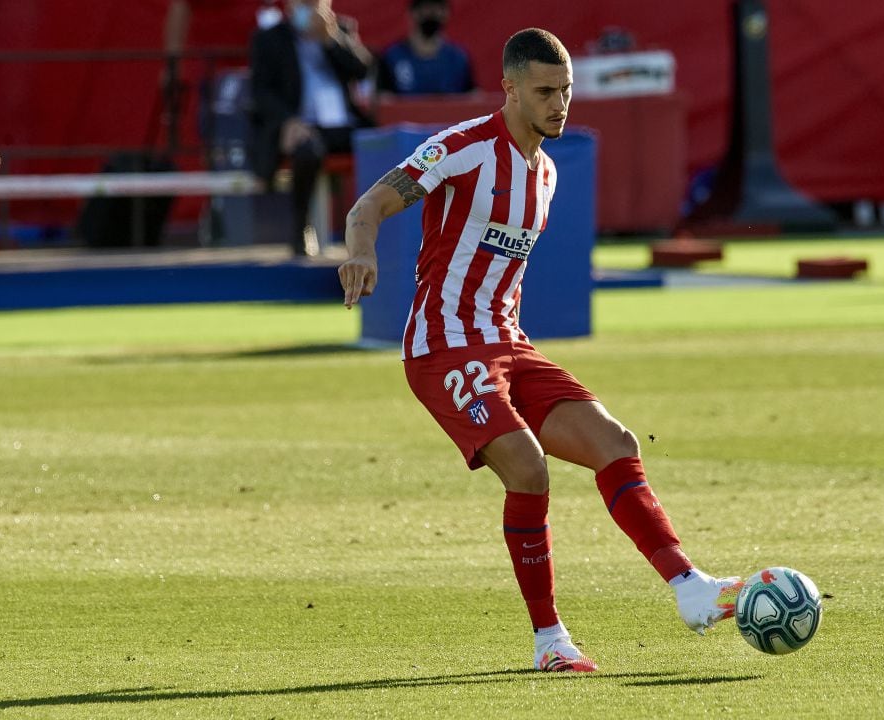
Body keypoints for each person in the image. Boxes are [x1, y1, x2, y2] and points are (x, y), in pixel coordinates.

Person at [338, 28, 742, 673]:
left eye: (567, 92)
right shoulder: (465, 148)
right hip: (444, 345)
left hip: (509, 343)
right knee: (528, 470)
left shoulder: (547, 171)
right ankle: (550, 641)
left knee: (616, 442)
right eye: (546, 92)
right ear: (510, 89)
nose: (560, 105)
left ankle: (690, 588)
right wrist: (360, 250)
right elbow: (371, 203)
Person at [249, 0, 373, 255]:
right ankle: (301, 228)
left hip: (341, 127)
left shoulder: (340, 29)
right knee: (306, 150)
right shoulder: (269, 38)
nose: (307, 8)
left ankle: (374, 229)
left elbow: (362, 70)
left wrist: (331, 40)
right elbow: (260, 93)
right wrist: (287, 121)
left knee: (381, 146)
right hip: (302, 127)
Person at [377, 0, 474, 95]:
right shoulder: (392, 57)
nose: (433, 13)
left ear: (447, 14)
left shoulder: (459, 59)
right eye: (427, 7)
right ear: (413, 12)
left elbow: (473, 99)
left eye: (439, 8)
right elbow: (382, 100)